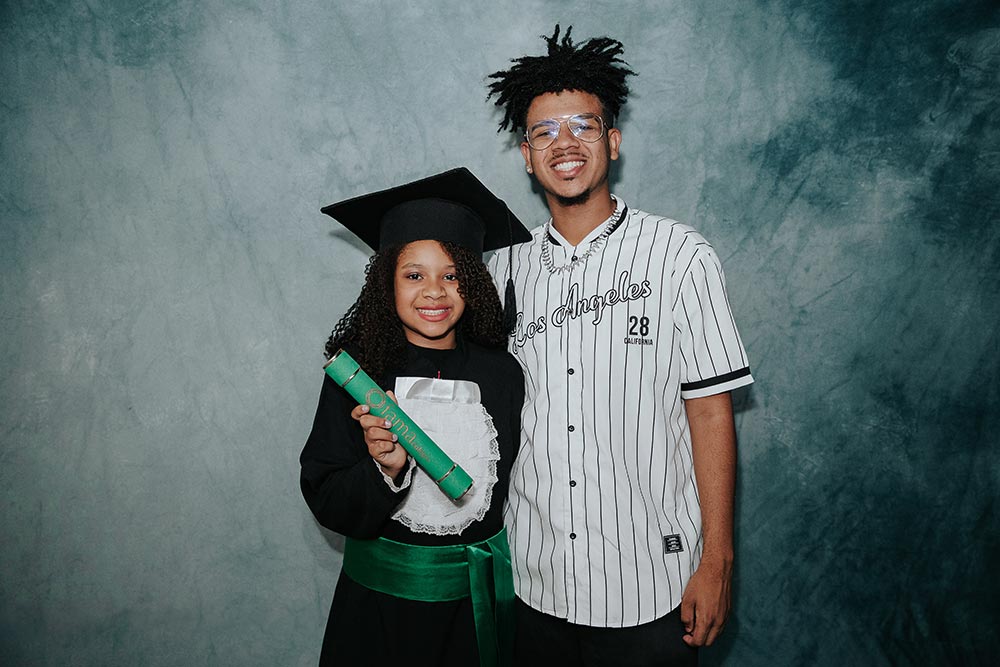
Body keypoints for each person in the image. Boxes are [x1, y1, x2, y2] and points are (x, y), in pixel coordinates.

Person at [484, 26, 755, 665]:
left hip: (652, 586)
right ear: (527, 155)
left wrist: (717, 560)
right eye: (544, 132)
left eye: (583, 125)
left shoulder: (680, 255)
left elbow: (710, 412)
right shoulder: (501, 270)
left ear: (613, 140)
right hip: (534, 584)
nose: (564, 143)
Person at [299, 168, 531, 667]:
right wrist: (384, 470)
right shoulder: (357, 374)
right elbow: (328, 499)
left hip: (476, 613)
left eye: (452, 275)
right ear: (387, 282)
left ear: (472, 283)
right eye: (414, 275)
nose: (434, 292)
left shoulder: (503, 374)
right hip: (379, 616)